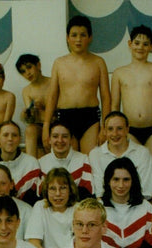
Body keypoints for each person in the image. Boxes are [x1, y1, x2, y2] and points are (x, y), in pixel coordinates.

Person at [43, 15, 110, 154]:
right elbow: (52, 96)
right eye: (74, 35)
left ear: (90, 37)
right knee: (69, 162)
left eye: (83, 35)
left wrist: (105, 126)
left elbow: (105, 96)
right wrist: (46, 126)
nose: (78, 39)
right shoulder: (59, 63)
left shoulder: (98, 62)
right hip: (65, 117)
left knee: (89, 161)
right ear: (67, 38)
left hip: (90, 117)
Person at [110, 24, 152, 154]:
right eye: (137, 43)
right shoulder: (119, 73)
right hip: (129, 130)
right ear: (130, 44)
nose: (140, 47)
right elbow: (114, 105)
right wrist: (112, 129)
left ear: (151, 46)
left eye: (145, 44)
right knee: (132, 168)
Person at [0, 120, 42, 206]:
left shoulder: (31, 163)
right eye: (5, 135)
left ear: (19, 139)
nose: (10, 139)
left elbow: (36, 198)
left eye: (14, 135)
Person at [88, 111, 152, 199]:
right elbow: (100, 193)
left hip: (136, 204)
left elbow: (145, 192)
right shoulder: (95, 154)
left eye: (119, 128)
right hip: (107, 206)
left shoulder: (142, 153)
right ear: (104, 131)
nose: (115, 134)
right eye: (110, 129)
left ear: (127, 129)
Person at [101, 157, 152, 248]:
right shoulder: (98, 208)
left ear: (133, 181)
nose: (121, 185)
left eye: (126, 180)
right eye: (116, 179)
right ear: (108, 181)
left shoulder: (146, 208)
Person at [27, 167, 79, 248]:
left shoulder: (79, 209)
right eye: (52, 188)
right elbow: (34, 242)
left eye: (63, 188)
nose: (58, 194)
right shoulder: (40, 207)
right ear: (46, 190)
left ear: (70, 190)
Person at [37, 121, 94, 199]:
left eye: (65, 136)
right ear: (49, 140)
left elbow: (86, 193)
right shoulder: (41, 163)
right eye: (55, 136)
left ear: (71, 139)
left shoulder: (84, 160)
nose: (60, 140)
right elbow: (42, 195)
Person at [16, 53, 51, 157]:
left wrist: (44, 108)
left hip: (57, 123)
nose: (28, 73)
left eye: (29, 67)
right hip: (40, 125)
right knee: (30, 129)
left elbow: (62, 109)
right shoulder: (27, 91)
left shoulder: (53, 82)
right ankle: (32, 168)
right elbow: (31, 119)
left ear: (38, 65)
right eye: (23, 71)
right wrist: (27, 114)